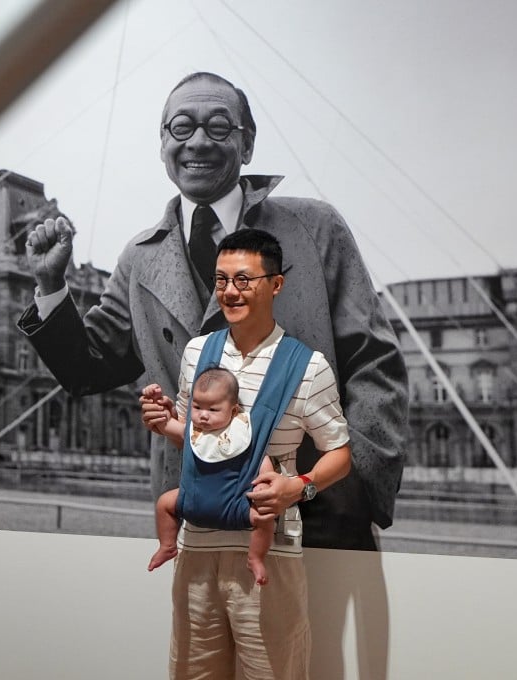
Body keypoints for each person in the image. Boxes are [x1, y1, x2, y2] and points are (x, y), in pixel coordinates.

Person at [20, 71, 408, 551]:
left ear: (248, 144)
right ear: (163, 145)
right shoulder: (139, 258)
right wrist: (50, 285)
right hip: (195, 516)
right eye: (182, 127)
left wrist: (349, 491)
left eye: (219, 126)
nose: (198, 141)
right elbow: (87, 369)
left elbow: (373, 363)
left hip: (314, 516)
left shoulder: (314, 227)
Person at [143, 229, 352, 678]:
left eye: (243, 280)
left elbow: (340, 454)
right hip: (196, 547)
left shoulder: (309, 366)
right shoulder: (197, 352)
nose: (230, 291)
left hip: (269, 554)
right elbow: (199, 444)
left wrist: (298, 487)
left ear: (275, 284)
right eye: (221, 280)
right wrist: (164, 421)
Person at [146, 366, 278, 586]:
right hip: (191, 500)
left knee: (264, 519)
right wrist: (155, 400)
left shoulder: (242, 433)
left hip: (235, 505)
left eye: (213, 409)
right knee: (164, 504)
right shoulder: (192, 431)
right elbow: (166, 424)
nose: (203, 415)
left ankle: (255, 557)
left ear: (233, 411)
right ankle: (167, 545)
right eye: (197, 407)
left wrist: (265, 481)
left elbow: (259, 458)